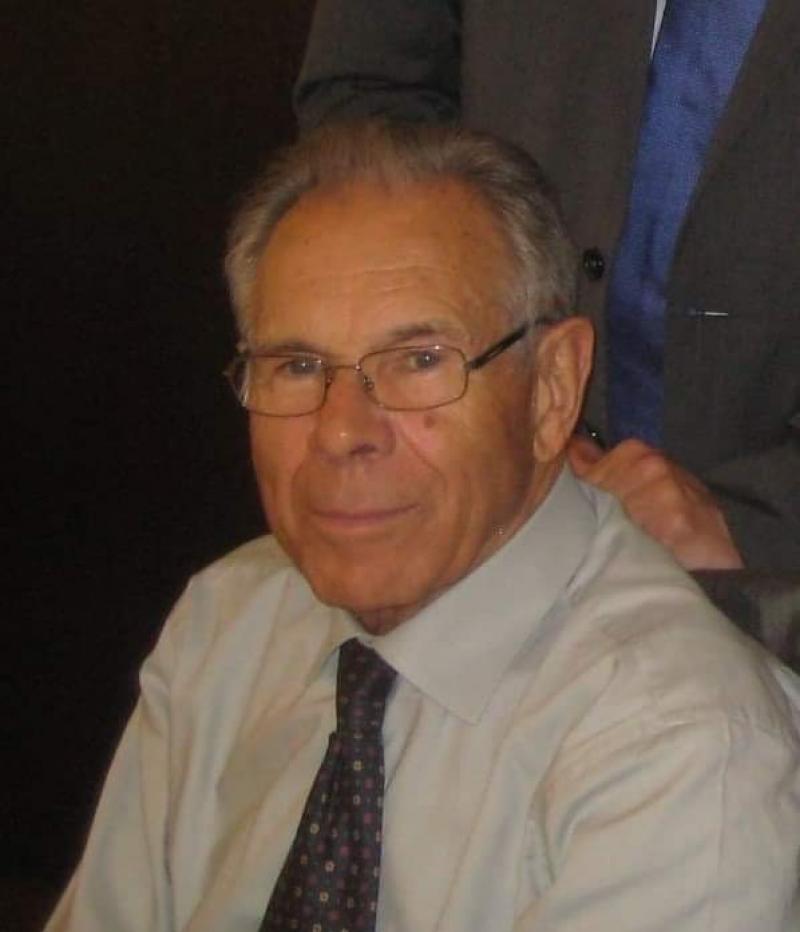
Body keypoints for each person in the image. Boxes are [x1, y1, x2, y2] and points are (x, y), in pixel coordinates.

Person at [45, 123, 800, 932]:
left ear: (552, 389)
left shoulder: (683, 744)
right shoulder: (227, 623)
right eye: (297, 367)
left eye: (419, 360)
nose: (342, 431)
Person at [293, 0, 800, 576]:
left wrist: (764, 523)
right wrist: (523, 410)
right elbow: (367, 104)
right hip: (488, 511)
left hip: (768, 566)